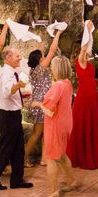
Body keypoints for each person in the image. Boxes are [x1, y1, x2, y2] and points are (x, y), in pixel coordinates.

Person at [0, 46, 34, 191]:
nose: (19, 58)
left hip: (14, 113)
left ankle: (16, 180)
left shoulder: (12, 71)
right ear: (8, 58)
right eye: (17, 56)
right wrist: (19, 85)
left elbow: (12, 92)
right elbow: (6, 92)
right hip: (7, 115)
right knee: (5, 149)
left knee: (18, 149)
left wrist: (21, 92)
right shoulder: (5, 73)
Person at [66, 21, 98, 170]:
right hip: (84, 96)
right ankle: (83, 155)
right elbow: (84, 47)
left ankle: (93, 151)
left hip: (92, 95)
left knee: (93, 123)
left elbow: (91, 79)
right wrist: (88, 30)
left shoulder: (88, 63)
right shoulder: (80, 62)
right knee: (83, 123)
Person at [31, 56, 75, 197]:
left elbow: (50, 110)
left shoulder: (58, 86)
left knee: (50, 158)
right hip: (66, 122)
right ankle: (72, 181)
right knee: (62, 154)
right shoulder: (68, 83)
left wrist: (37, 104)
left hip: (56, 124)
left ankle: (54, 191)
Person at [24, 29, 63, 167]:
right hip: (41, 104)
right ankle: (23, 158)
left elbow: (43, 50)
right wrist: (58, 33)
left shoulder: (33, 69)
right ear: (40, 59)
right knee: (37, 133)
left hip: (41, 102)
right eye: (42, 56)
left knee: (45, 132)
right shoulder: (40, 68)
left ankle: (44, 159)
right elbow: (52, 50)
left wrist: (40, 39)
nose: (44, 56)